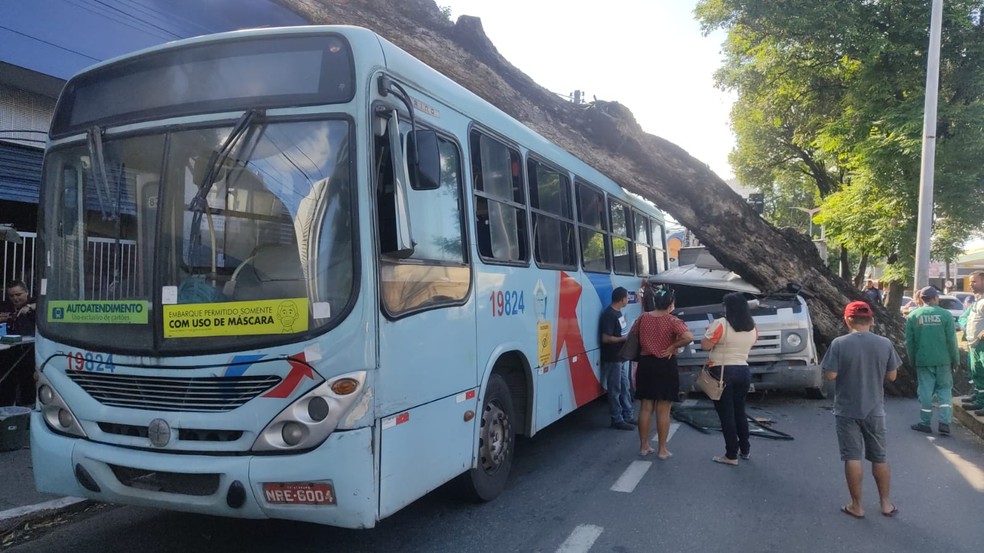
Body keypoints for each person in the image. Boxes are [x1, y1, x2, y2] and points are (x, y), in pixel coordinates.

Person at [821, 301, 901, 519]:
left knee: (852, 457)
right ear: (872, 320)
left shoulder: (839, 343)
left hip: (846, 409)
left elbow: (830, 375)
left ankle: (857, 506)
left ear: (848, 320)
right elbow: (892, 375)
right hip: (875, 409)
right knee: (880, 457)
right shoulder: (884, 343)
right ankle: (885, 503)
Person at [632, 288, 693, 459]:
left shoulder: (643, 318)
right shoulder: (673, 320)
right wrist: (673, 346)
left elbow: (634, 334)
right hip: (665, 365)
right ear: (671, 304)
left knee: (645, 407)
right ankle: (662, 450)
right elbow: (688, 337)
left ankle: (644, 447)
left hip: (645, 364)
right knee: (663, 409)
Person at [701, 292, 758, 465]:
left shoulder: (720, 324)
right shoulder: (752, 326)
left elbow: (705, 346)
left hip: (722, 372)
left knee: (727, 415)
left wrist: (710, 332)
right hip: (743, 370)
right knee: (740, 412)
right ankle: (745, 449)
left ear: (729, 307)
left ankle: (731, 455)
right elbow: (751, 344)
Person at [905, 286, 959, 435]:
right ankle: (944, 422)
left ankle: (925, 422)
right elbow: (952, 341)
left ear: (921, 299)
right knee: (944, 390)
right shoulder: (945, 315)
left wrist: (912, 360)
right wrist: (956, 359)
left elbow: (910, 342)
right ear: (935, 298)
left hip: (923, 360)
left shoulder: (913, 315)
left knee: (925, 391)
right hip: (943, 360)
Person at [600, 287, 635, 430]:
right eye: (627, 297)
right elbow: (606, 338)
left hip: (620, 357)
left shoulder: (618, 312)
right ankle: (617, 419)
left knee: (624, 387)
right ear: (622, 299)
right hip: (613, 358)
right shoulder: (609, 314)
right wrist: (623, 339)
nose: (627, 300)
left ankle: (628, 415)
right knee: (615, 389)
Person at [0, 280, 37, 406]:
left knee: (28, 389)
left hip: (28, 355)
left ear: (26, 292)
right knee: (6, 389)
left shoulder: (35, 304)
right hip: (7, 355)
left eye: (18, 294)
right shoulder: (5, 307)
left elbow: (48, 306)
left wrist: (30, 307)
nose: (15, 298)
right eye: (11, 295)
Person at [961, 271, 984, 413]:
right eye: (970, 282)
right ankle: (978, 396)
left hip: (982, 344)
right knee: (976, 372)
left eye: (974, 281)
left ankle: (982, 402)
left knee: (982, 371)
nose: (970, 284)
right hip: (974, 343)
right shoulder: (978, 300)